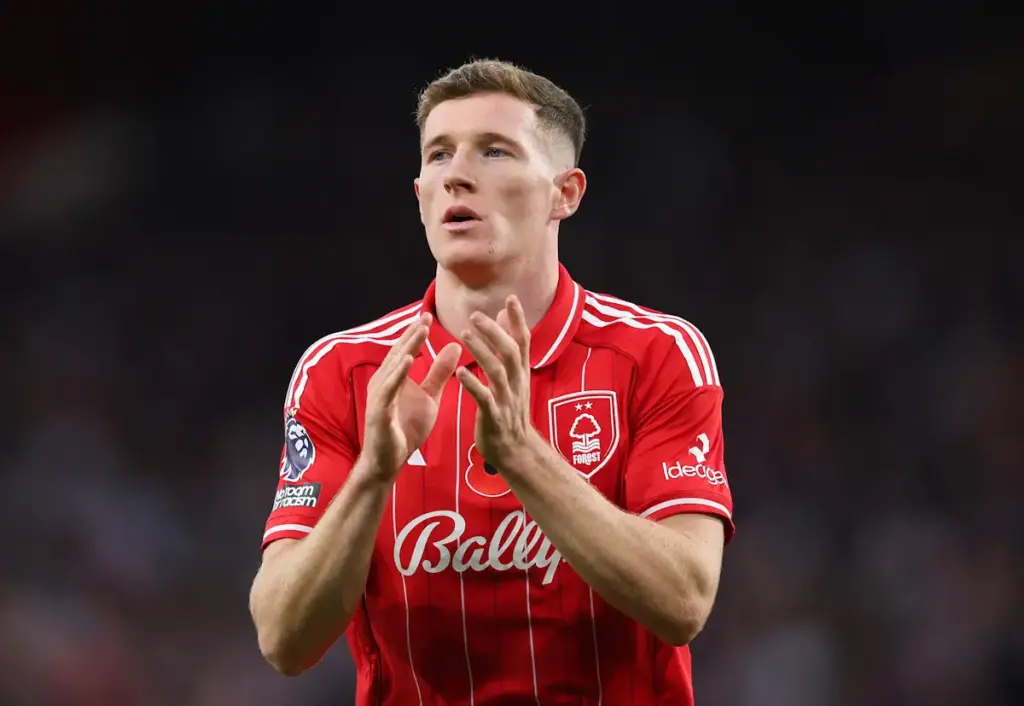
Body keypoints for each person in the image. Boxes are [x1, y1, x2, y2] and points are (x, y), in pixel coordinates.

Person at [249, 58, 734, 705]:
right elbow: (284, 639)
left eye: (494, 151)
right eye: (439, 155)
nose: (457, 174)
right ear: (420, 195)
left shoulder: (657, 354)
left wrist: (524, 458)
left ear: (565, 192)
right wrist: (371, 476)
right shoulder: (343, 372)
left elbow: (685, 600)